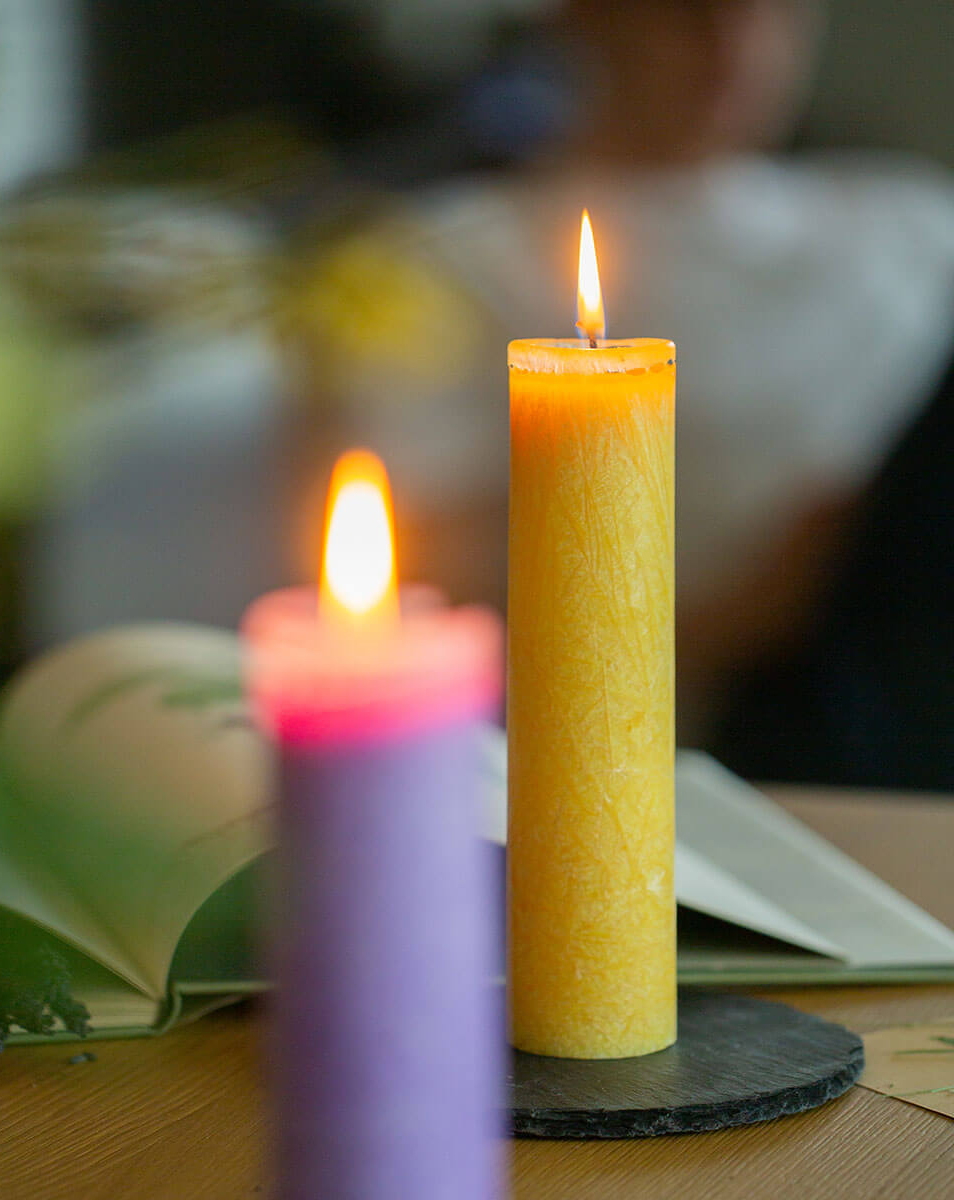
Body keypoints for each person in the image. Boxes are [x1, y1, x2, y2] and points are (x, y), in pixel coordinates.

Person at [361, 0, 954, 782]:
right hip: (743, 707)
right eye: (688, 14)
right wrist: (778, 586)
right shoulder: (446, 258)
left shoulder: (911, 222)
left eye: (771, 14)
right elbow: (414, 580)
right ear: (586, 20)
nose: (734, 46)